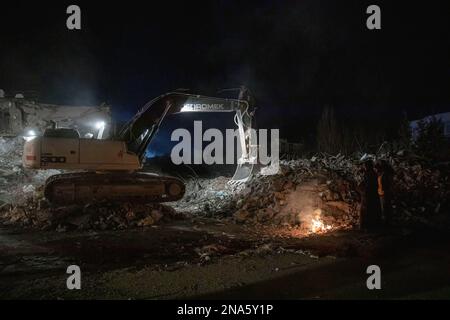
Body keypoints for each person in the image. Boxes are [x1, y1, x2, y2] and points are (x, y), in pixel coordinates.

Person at [358, 160, 382, 231]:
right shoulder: (372, 173)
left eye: (365, 166)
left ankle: (368, 226)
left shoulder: (369, 174)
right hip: (372, 195)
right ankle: (372, 225)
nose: (364, 167)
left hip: (368, 195)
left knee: (368, 211)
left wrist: (362, 189)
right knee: (372, 210)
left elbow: (368, 185)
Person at [375, 160, 394, 226]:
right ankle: (387, 221)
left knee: (385, 207)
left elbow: (388, 184)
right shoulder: (382, 174)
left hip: (384, 193)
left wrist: (386, 191)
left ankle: (387, 222)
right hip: (381, 193)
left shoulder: (385, 174)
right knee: (384, 207)